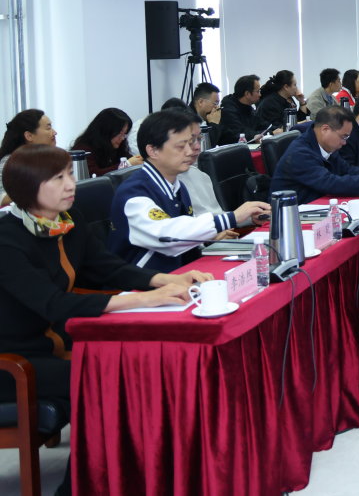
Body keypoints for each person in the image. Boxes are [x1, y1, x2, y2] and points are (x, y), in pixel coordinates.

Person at [0, 145, 214, 496]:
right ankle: (83, 487)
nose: (71, 184)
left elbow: (108, 267)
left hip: (62, 341)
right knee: (109, 379)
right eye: (58, 178)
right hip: (17, 359)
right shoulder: (6, 239)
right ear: (27, 187)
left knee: (138, 362)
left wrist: (168, 280)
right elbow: (54, 304)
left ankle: (148, 475)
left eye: (70, 174)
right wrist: (144, 299)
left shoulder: (68, 220)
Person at [109, 110, 270, 271]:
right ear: (153, 151)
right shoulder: (134, 192)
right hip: (147, 282)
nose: (190, 151)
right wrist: (231, 218)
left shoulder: (177, 187)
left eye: (191, 142)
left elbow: (184, 238)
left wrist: (206, 241)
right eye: (181, 146)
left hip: (180, 273)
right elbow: (167, 236)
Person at [272, 106, 359, 206]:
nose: (344, 142)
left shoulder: (326, 145)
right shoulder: (300, 153)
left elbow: (347, 170)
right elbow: (330, 183)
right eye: (343, 137)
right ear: (325, 129)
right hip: (293, 213)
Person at [0, 110, 58, 202]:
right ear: (29, 136)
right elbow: (1, 198)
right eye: (48, 128)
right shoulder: (9, 162)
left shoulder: (49, 158)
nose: (55, 132)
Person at [71, 108, 143, 177]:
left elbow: (129, 159)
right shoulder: (84, 149)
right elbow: (93, 175)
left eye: (125, 133)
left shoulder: (117, 147)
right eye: (120, 133)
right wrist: (126, 165)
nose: (122, 138)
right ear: (106, 131)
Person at [219, 74, 275, 142]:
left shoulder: (249, 108)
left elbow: (265, 126)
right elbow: (242, 133)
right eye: (258, 91)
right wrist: (271, 133)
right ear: (247, 94)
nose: (260, 94)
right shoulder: (228, 111)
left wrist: (278, 129)